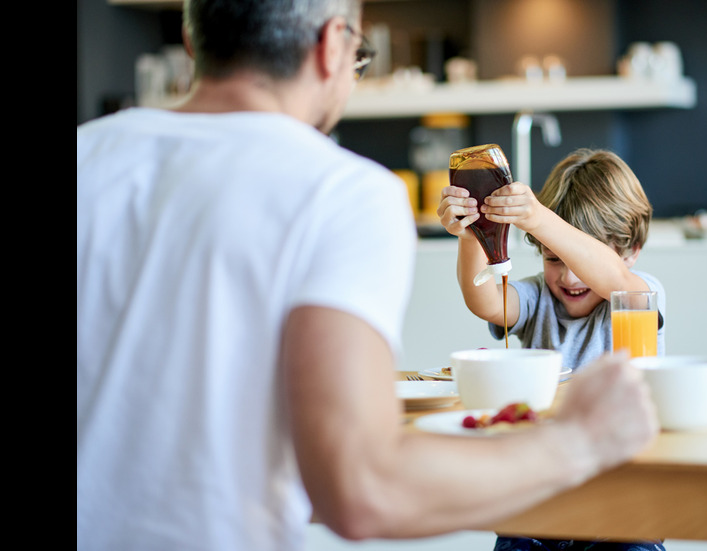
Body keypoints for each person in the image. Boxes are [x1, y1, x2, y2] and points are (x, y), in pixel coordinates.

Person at [76, 1, 660, 550]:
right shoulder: (341, 193)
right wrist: (579, 441)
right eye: (359, 54)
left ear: (190, 38)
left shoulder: (86, 157)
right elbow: (361, 488)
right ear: (333, 45)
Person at [438, 148, 667, 551]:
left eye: (581, 256)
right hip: (540, 500)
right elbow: (485, 301)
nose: (570, 275)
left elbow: (615, 279)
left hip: (624, 505)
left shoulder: (638, 295)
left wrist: (539, 218)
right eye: (552, 258)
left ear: (631, 251)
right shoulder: (536, 297)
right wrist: (473, 232)